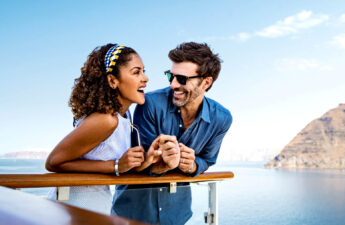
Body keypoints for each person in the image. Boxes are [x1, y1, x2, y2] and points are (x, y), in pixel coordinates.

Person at [111, 42, 232, 225]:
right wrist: (165, 164)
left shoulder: (221, 119)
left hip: (176, 215)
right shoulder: (149, 103)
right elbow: (139, 162)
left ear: (206, 82)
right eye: (171, 76)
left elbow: (206, 160)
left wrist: (190, 165)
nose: (173, 84)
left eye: (182, 79)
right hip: (131, 214)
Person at [45, 43, 161, 215]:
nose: (145, 78)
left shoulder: (124, 116)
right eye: (136, 72)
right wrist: (116, 166)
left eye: (144, 71)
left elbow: (110, 163)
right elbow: (53, 162)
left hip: (94, 208)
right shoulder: (106, 120)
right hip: (71, 208)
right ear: (113, 80)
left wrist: (143, 162)